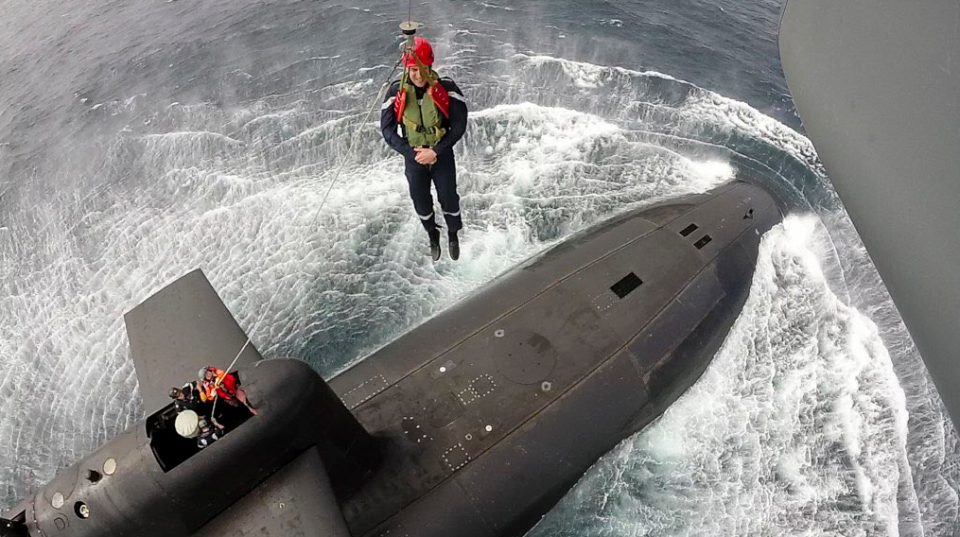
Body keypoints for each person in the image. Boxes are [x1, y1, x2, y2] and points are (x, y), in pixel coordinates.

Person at [381, 36, 468, 261]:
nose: (418, 76)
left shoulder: (447, 88)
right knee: (420, 199)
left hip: (440, 153)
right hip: (414, 156)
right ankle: (432, 233)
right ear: (407, 70)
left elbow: (459, 125)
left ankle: (453, 233)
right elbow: (388, 130)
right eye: (413, 71)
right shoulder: (395, 92)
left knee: (448, 196)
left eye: (422, 70)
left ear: (430, 66)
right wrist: (411, 153)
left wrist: (436, 151)